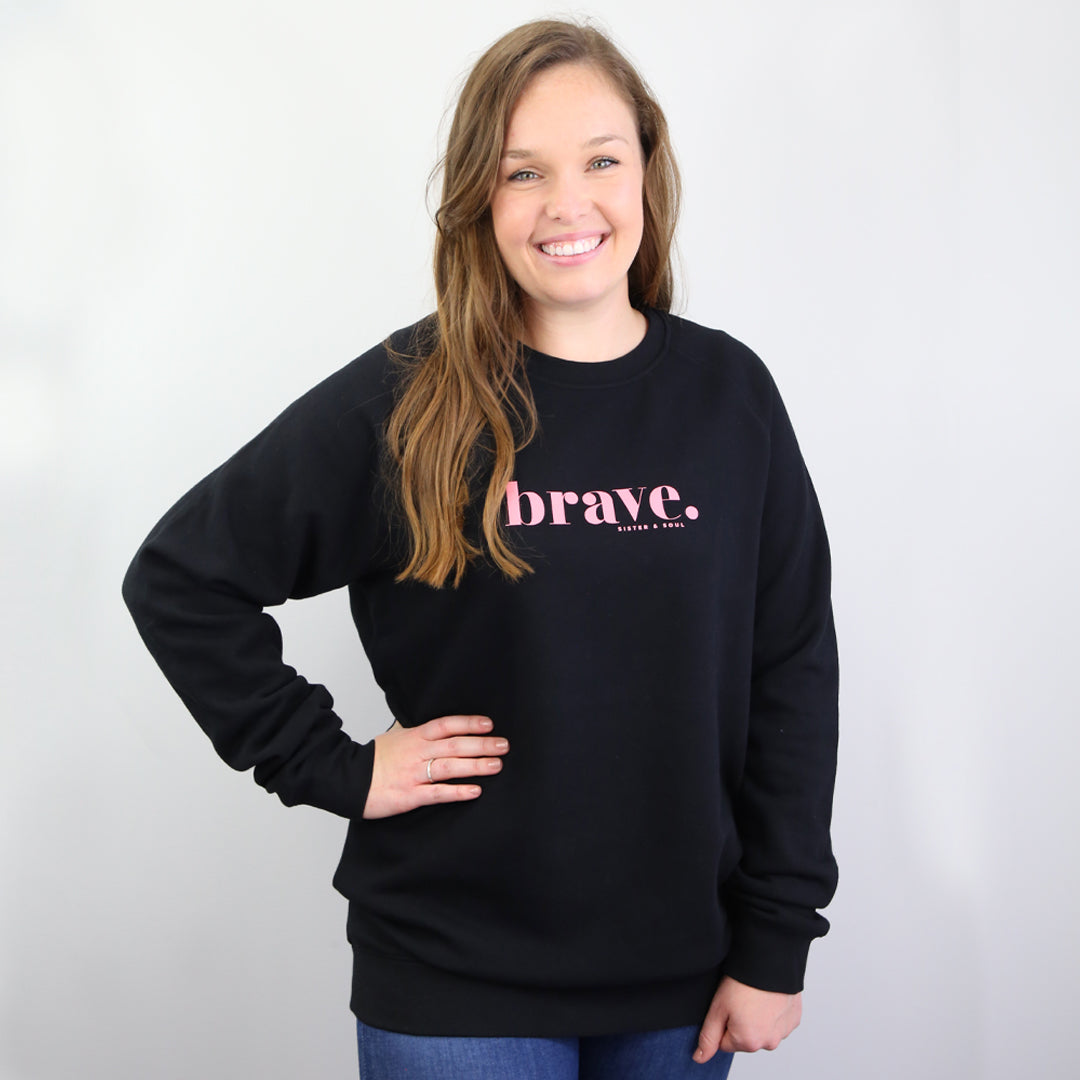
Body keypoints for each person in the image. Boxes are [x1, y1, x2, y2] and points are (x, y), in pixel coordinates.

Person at [122, 17, 838, 1080]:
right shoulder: (410, 399)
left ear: (648, 171)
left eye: (602, 160)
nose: (568, 204)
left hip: (683, 972)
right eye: (522, 172)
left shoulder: (728, 395)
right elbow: (182, 577)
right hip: (456, 972)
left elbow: (791, 669)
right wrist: (332, 765)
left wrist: (776, 938)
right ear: (478, 199)